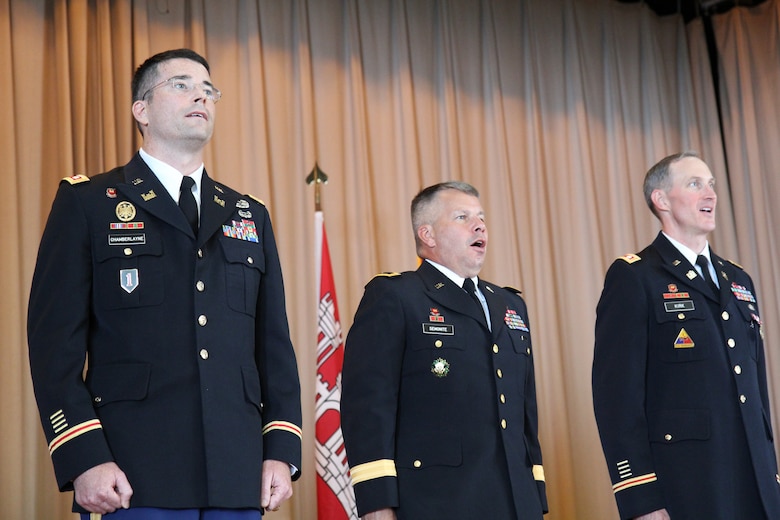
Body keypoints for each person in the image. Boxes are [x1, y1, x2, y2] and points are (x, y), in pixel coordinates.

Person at [27, 49, 302, 519]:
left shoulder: (248, 214)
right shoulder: (89, 202)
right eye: (180, 84)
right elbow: (55, 347)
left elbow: (273, 346)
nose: (200, 94)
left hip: (236, 475)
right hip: (134, 473)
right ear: (142, 110)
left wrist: (280, 446)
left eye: (209, 89)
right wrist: (84, 456)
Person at [340, 181, 548, 519]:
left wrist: (535, 493)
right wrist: (377, 502)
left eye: (480, 217)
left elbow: (526, 410)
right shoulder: (396, 296)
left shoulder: (510, 304)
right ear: (428, 235)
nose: (479, 225)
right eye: (462, 217)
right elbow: (367, 407)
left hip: (516, 501)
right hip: (437, 502)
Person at [592, 152, 780, 519]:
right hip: (689, 485)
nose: (710, 194)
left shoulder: (738, 280)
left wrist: (770, 472)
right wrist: (641, 497)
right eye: (695, 184)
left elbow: (756, 392)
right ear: (660, 200)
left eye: (711, 184)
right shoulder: (636, 276)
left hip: (756, 484)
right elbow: (617, 397)